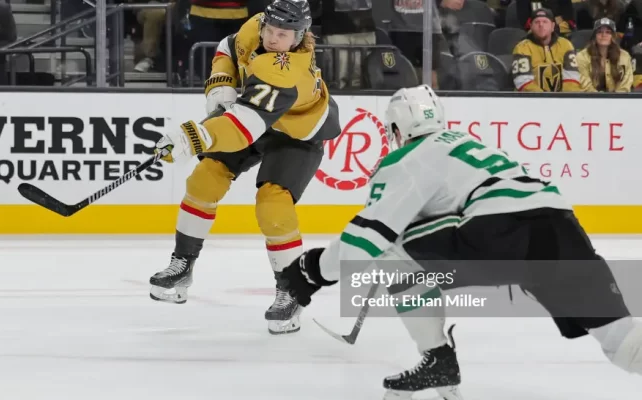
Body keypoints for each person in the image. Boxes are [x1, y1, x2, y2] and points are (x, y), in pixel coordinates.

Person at [277, 85, 641, 399]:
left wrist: (312, 271)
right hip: (559, 222)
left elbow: (365, 239)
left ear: (397, 127)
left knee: (392, 246)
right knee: (622, 341)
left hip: (501, 231)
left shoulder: (406, 157)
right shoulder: (466, 143)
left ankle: (438, 358)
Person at [148, 0, 341, 335]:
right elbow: (228, 47)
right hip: (251, 114)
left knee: (272, 204)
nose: (272, 38)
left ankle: (291, 291)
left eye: (283, 34)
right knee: (204, 180)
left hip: (296, 132)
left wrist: (193, 136)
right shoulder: (257, 27)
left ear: (299, 37)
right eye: (270, 29)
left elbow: (242, 130)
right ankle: (182, 265)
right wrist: (221, 83)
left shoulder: (285, 68)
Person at [512, 8, 581, 92]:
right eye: (537, 22)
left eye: (545, 22)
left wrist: (565, 100)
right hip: (532, 101)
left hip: (563, 100)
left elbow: (572, 78)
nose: (541, 25)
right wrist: (545, 100)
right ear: (531, 26)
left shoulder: (566, 45)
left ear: (552, 26)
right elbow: (523, 82)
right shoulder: (522, 48)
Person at [577, 18, 634, 92]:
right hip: (590, 100)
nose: (604, 35)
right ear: (594, 36)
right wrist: (599, 101)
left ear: (613, 36)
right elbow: (585, 85)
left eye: (608, 32)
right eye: (600, 32)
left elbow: (625, 85)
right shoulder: (582, 56)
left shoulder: (624, 56)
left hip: (618, 101)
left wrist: (616, 101)